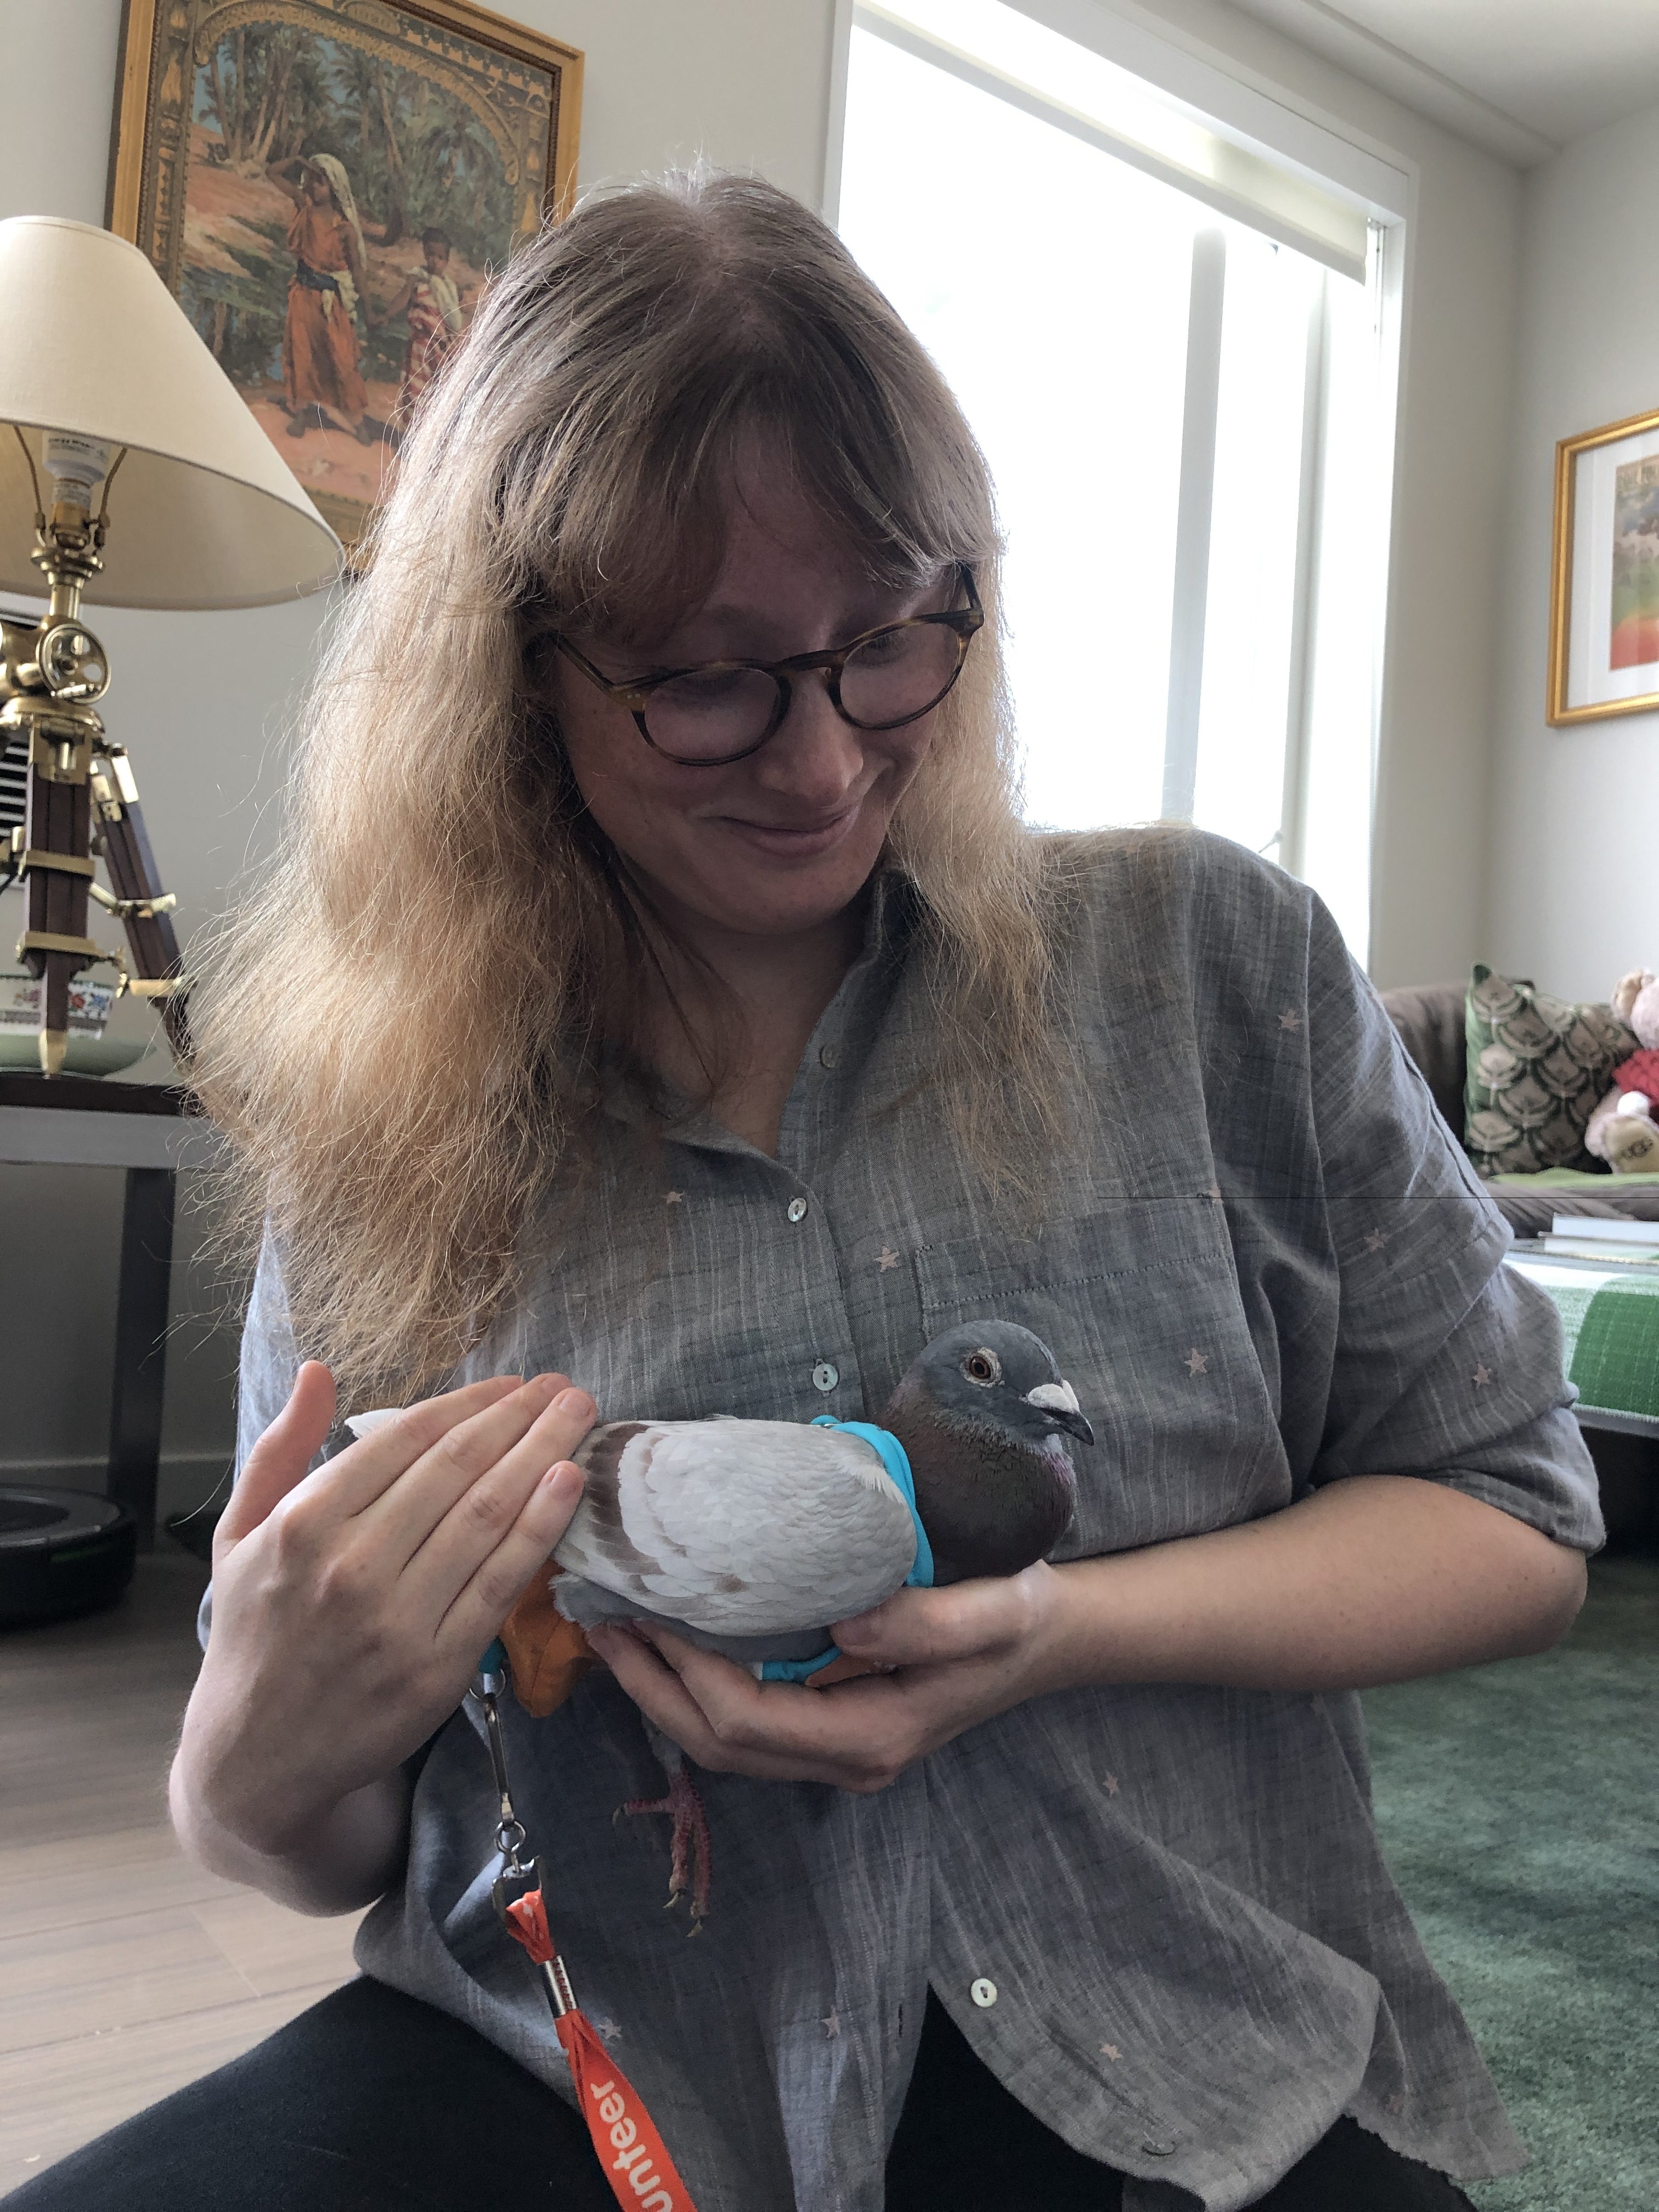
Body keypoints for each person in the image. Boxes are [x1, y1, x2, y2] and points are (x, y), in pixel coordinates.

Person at [9, 172, 1600, 2212]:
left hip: (1185, 2057)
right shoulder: (383, 1121)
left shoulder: (1213, 966)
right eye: (705, 675)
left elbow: (1511, 1515)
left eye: (892, 639)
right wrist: (250, 1731)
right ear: (511, 679)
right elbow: (319, 1843)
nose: (825, 758)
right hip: (584, 2065)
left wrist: (1044, 1629)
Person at [267, 153, 374, 443]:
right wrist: (299, 161)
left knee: (342, 359)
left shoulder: (345, 230)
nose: (315, 187)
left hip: (330, 304)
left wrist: (369, 309)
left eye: (321, 182)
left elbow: (357, 272)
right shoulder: (305, 209)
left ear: (335, 187)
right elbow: (272, 173)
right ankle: (301, 414)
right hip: (302, 297)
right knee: (301, 354)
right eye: (311, 181)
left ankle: (356, 421)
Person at [371, 225, 467, 446]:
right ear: (425, 253)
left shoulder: (450, 288)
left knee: (440, 393)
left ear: (447, 260)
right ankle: (413, 441)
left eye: (440, 257)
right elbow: (402, 299)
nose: (435, 261)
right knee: (416, 392)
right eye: (431, 255)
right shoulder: (418, 280)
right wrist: (386, 316)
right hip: (421, 347)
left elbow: (453, 319)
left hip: (442, 349)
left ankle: (433, 442)